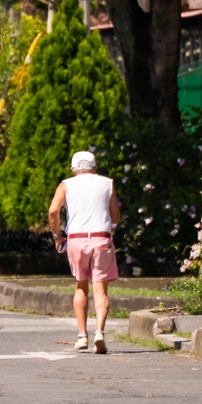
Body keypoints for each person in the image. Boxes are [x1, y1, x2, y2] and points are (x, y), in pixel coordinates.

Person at [47, 150, 121, 355]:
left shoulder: (66, 184)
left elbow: (53, 211)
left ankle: (82, 336)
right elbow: (116, 218)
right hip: (101, 238)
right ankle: (99, 332)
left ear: (73, 169)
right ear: (95, 168)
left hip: (76, 240)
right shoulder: (107, 183)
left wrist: (57, 236)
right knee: (101, 291)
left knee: (80, 286)